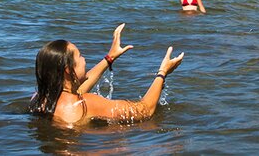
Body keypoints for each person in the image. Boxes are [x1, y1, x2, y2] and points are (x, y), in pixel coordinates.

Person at [28, 23, 184, 125]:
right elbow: (144, 110)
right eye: (80, 56)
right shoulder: (87, 103)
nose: (84, 59)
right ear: (68, 69)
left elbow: (76, 91)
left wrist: (110, 58)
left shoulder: (38, 99)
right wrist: (162, 73)